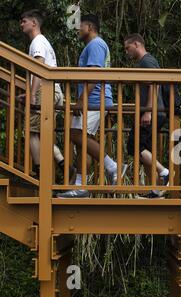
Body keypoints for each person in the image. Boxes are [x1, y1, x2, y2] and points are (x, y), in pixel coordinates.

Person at [57, 14, 126, 198]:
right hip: (93, 99)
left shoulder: (96, 44)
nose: (78, 30)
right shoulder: (93, 45)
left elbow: (95, 74)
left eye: (80, 26)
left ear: (89, 27)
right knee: (82, 142)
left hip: (95, 100)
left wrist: (81, 99)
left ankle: (113, 167)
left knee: (76, 135)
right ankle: (80, 186)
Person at [19, 9, 74, 179]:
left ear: (34, 23)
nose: (21, 24)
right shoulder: (43, 42)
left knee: (31, 131)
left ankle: (40, 171)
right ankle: (63, 164)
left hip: (45, 90)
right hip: (54, 91)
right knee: (42, 132)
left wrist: (33, 94)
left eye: (24, 21)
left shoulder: (37, 42)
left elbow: (39, 69)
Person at [123, 33, 169, 198]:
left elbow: (153, 86)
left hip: (152, 112)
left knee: (134, 146)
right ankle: (156, 190)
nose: (127, 52)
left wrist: (148, 111)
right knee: (145, 150)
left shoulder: (146, 61)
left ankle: (164, 172)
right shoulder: (148, 61)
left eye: (128, 48)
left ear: (137, 44)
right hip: (156, 111)